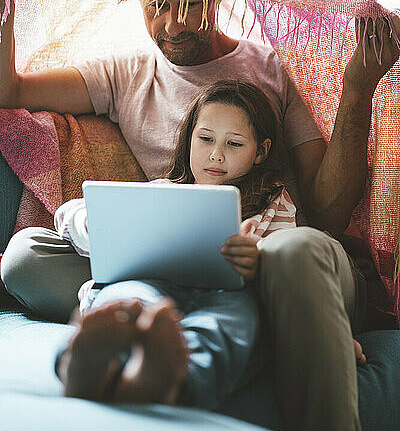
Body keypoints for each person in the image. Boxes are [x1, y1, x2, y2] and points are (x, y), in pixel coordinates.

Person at [1, 0, 399, 431]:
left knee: (292, 253)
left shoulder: (271, 69)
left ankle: (292, 314)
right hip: (175, 265)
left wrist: (357, 92)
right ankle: (141, 333)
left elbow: (324, 212)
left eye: (190, 0)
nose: (174, 23)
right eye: (158, 4)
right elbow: (10, 92)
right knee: (27, 254)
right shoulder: (124, 72)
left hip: (274, 253)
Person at [53, 79, 297, 408]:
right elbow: (67, 214)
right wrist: (92, 223)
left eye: (234, 144)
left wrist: (258, 261)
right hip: (151, 281)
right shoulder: (162, 190)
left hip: (227, 294)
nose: (216, 154)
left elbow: (292, 267)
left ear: (261, 152)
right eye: (206, 139)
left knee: (229, 323)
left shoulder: (275, 207)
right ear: (190, 138)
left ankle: (167, 380)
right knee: (126, 298)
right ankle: (83, 362)